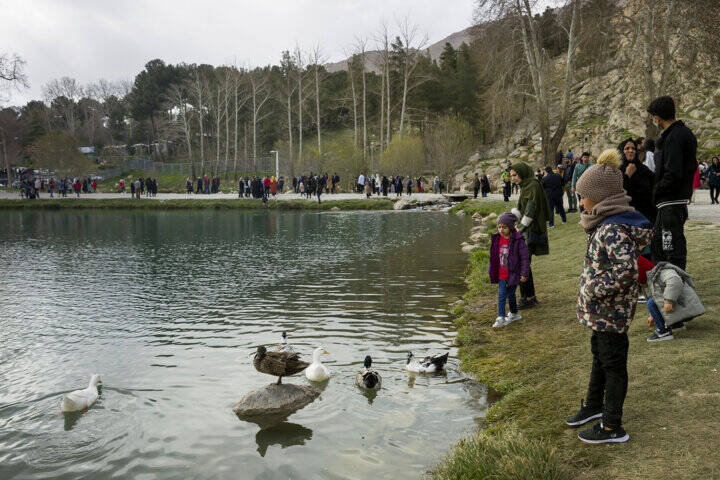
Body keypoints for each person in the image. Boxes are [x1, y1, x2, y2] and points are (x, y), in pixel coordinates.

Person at [567, 149, 653, 444]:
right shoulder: (603, 225)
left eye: (583, 196)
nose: (579, 202)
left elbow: (627, 271)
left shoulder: (612, 229)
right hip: (603, 313)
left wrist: (593, 289)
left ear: (600, 197)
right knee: (599, 357)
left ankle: (611, 426)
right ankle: (594, 406)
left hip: (611, 312)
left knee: (613, 364)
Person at [648, 95, 697, 270]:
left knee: (671, 250)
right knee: (659, 246)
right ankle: (665, 291)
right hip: (667, 203)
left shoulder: (675, 137)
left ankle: (675, 291)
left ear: (657, 117)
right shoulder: (677, 134)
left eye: (653, 116)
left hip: (671, 202)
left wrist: (656, 190)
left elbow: (673, 172)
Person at [509, 162, 550, 310]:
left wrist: (519, 229)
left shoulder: (532, 186)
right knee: (523, 263)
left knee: (522, 263)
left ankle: (527, 298)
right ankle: (529, 297)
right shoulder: (526, 186)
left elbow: (531, 211)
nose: (513, 178)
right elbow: (523, 208)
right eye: (511, 175)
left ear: (523, 173)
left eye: (515, 175)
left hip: (531, 230)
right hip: (527, 229)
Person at [638, 256, 705, 342]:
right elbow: (657, 296)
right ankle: (676, 324)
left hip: (687, 305)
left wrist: (669, 301)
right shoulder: (654, 278)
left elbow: (675, 281)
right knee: (653, 301)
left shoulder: (664, 272)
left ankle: (664, 332)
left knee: (651, 303)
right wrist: (653, 315)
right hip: (685, 307)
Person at [488, 212, 530, 329]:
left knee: (510, 294)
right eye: (499, 227)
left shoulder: (518, 240)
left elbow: (525, 258)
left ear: (511, 227)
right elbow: (494, 256)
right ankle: (501, 317)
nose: (501, 230)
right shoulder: (497, 238)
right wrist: (491, 269)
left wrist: (524, 273)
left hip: (513, 273)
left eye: (504, 227)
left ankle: (514, 313)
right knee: (502, 294)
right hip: (501, 273)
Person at [618, 138, 656, 223]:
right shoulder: (616, 170)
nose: (631, 151)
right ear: (621, 151)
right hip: (627, 216)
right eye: (627, 148)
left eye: (633, 148)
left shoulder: (643, 169)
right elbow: (617, 192)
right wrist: (627, 176)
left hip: (648, 215)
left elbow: (654, 184)